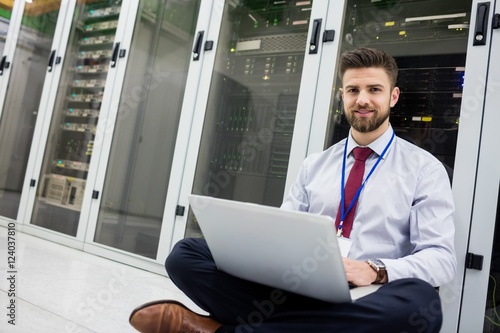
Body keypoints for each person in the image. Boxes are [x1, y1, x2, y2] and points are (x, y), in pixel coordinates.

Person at [128, 47, 456, 333]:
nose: (363, 100)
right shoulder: (315, 165)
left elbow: (441, 260)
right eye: (353, 90)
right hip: (299, 287)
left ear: (393, 96)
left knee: (421, 304)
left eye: (374, 89)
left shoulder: (424, 169)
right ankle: (308, 327)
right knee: (186, 254)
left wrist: (373, 269)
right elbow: (282, 229)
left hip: (368, 294)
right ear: (342, 95)